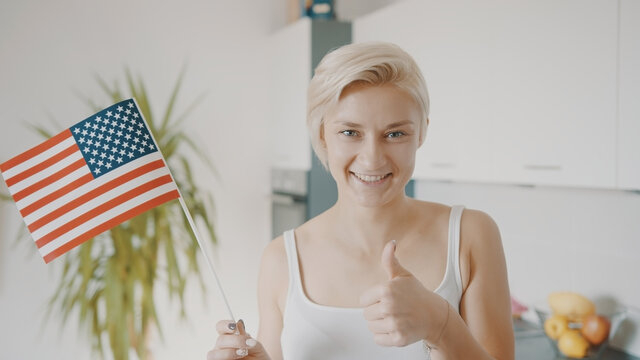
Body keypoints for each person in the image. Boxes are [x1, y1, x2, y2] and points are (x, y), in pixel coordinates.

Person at [207, 42, 514, 360]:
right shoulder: (281, 260)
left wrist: (442, 325)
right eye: (350, 132)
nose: (372, 160)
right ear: (323, 134)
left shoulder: (470, 235)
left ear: (422, 132)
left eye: (395, 134)